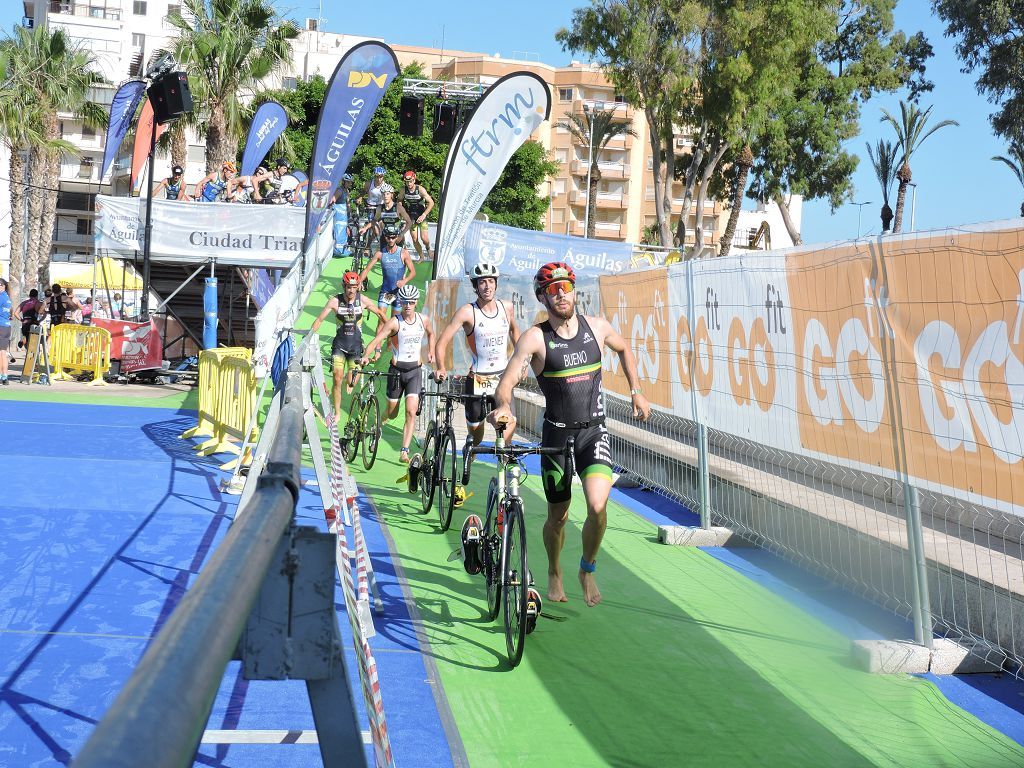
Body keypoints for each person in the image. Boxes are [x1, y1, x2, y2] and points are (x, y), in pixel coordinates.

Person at [488, 262, 651, 608]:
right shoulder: (536, 337)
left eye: (566, 287)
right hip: (556, 438)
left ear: (575, 291)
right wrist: (505, 407)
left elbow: (623, 349)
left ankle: (586, 569)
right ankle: (554, 569)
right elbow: (507, 383)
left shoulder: (597, 327)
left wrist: (636, 389)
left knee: (597, 506)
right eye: (553, 289)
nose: (561, 294)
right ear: (543, 297)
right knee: (558, 517)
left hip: (594, 432)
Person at [434, 262, 520, 449]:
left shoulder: (507, 307)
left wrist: (521, 360)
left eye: (491, 281)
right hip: (477, 379)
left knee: (508, 430)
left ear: (496, 284)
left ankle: (504, 467)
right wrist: (440, 367)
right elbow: (442, 342)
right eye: (482, 282)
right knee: (476, 438)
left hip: (502, 378)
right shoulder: (467, 312)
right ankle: (470, 452)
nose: (487, 286)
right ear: (476, 286)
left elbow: (515, 333)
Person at [361, 283, 435, 463]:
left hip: (414, 371)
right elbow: (377, 339)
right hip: (396, 372)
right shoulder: (395, 322)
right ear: (400, 302)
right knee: (392, 413)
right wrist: (366, 356)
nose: (408, 306)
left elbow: (432, 334)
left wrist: (431, 351)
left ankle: (404, 451)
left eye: (411, 302)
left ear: (416, 302)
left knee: (411, 411)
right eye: (404, 302)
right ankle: (378, 425)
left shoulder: (423, 320)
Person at [309, 271, 386, 417]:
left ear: (358, 287)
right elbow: (319, 320)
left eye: (354, 287)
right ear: (343, 286)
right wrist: (308, 337)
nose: (351, 290)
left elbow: (380, 314)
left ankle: (348, 380)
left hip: (356, 347)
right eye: (349, 287)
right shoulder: (334, 301)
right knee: (337, 378)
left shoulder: (362, 300)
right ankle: (337, 412)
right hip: (339, 346)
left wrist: (391, 330)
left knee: (351, 383)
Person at [359, 223, 416, 336]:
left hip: (399, 293)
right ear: (385, 237)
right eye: (388, 237)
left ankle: (390, 348)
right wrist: (359, 281)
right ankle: (377, 349)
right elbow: (367, 269)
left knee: (394, 322)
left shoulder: (403, 253)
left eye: (393, 237)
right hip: (386, 292)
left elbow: (413, 272)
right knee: (381, 321)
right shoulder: (380, 254)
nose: (391, 239)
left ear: (397, 237)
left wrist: (404, 281)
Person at [398, 170, 434, 262]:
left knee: (424, 238)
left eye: (410, 181)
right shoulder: (403, 190)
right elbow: (399, 201)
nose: (409, 184)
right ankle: (421, 256)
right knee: (414, 238)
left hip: (421, 214)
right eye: (407, 182)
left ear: (414, 180)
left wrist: (424, 215)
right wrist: (401, 212)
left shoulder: (420, 189)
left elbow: (431, 203)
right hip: (411, 215)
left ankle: (428, 248)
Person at [376, 183, 411, 250]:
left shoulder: (398, 207)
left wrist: (402, 234)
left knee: (399, 258)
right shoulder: (380, 208)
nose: (385, 196)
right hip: (385, 237)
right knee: (383, 258)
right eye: (383, 194)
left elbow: (409, 222)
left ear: (392, 195)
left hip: (397, 237)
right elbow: (374, 220)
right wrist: (365, 228)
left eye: (387, 194)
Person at [0, 278, 11, 384]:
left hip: (1, 326)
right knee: (3, 352)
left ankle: (2, 376)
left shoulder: (1, 297)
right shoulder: (7, 297)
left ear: (3, 286)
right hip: (6, 326)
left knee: (1, 353)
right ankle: (4, 376)